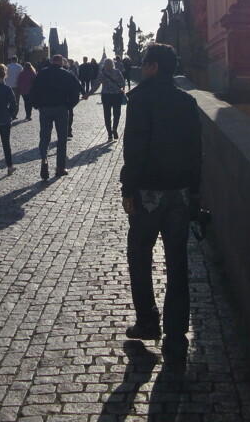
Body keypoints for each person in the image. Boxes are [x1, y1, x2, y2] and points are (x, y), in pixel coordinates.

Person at [121, 43, 202, 360]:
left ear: (154, 66)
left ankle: (147, 321)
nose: (142, 68)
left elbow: (135, 149)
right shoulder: (187, 101)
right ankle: (177, 327)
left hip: (149, 192)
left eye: (144, 63)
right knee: (177, 260)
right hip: (181, 192)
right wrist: (195, 191)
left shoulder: (140, 99)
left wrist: (129, 188)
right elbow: (197, 151)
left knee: (140, 255)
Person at [29, 54, 81, 181]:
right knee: (62, 138)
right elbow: (76, 89)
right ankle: (60, 168)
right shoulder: (66, 74)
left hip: (45, 109)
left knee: (44, 137)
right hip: (61, 108)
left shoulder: (42, 74)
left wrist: (37, 105)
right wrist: (70, 105)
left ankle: (44, 159)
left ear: (51, 62)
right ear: (61, 63)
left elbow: (33, 91)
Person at [86, 58, 126, 141]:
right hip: (116, 95)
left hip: (106, 96)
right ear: (112, 64)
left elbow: (96, 85)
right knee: (117, 113)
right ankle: (114, 129)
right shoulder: (117, 72)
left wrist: (88, 94)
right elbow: (122, 83)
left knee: (107, 115)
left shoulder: (102, 74)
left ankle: (109, 134)